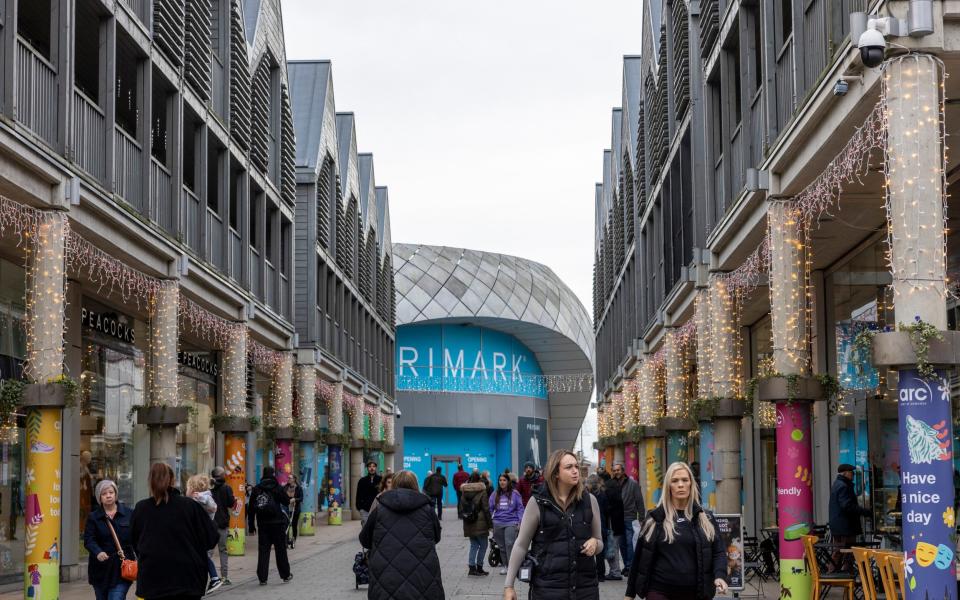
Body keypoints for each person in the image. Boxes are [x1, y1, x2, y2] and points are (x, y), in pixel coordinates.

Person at [504, 449, 603, 600]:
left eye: (576, 466)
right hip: (547, 590)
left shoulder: (590, 501)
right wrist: (508, 586)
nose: (575, 471)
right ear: (556, 472)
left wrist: (595, 543)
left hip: (585, 590)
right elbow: (521, 545)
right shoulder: (537, 502)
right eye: (569, 467)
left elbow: (600, 542)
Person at [624, 461, 728, 600]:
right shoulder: (655, 517)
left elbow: (719, 552)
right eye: (675, 481)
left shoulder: (706, 518)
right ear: (668, 486)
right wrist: (629, 594)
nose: (680, 485)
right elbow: (639, 557)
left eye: (685, 480)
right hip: (659, 591)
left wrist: (720, 576)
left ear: (691, 484)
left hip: (696, 592)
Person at [131, 463, 219, 600]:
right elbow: (211, 538)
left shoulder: (141, 509)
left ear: (150, 482)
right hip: (188, 580)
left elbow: (135, 542)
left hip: (152, 579)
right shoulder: (190, 506)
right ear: (173, 481)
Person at [359, 470, 444, 599]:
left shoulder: (379, 509)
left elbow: (364, 540)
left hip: (386, 577)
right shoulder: (428, 510)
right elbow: (437, 537)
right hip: (422, 577)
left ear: (394, 485)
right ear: (416, 485)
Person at [83, 479, 135, 600]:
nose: (108, 496)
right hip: (101, 569)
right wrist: (98, 552)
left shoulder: (129, 514)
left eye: (111, 492)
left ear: (115, 494)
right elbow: (89, 539)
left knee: (116, 597)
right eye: (104, 494)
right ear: (99, 497)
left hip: (122, 568)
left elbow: (137, 538)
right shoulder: (93, 517)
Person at [248, 466, 293, 585]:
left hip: (263, 525)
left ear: (263, 474)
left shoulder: (257, 489)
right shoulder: (277, 487)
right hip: (277, 523)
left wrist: (251, 525)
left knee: (263, 551)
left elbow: (251, 509)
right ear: (273, 474)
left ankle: (262, 578)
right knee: (281, 550)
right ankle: (285, 575)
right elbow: (286, 501)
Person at [829, 463, 870, 572]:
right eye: (852, 473)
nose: (853, 475)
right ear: (845, 473)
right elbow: (847, 506)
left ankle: (837, 575)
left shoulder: (838, 484)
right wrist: (865, 512)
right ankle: (842, 575)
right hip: (845, 527)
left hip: (840, 526)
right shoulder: (843, 486)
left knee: (841, 551)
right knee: (846, 551)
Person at [186, 474, 223, 594]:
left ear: (193, 488)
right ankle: (213, 578)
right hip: (202, 532)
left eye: (188, 487)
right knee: (203, 557)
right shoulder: (206, 497)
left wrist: (193, 496)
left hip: (199, 533)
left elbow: (210, 505)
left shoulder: (201, 497)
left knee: (203, 557)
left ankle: (214, 578)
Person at [613, 462, 645, 575]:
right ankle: (627, 565)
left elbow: (639, 501)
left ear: (623, 470)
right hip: (617, 519)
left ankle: (630, 566)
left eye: (618, 470)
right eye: (614, 470)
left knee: (630, 543)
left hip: (629, 517)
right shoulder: (612, 484)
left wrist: (642, 517)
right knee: (621, 543)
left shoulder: (633, 484)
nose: (616, 472)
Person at [490, 473, 524, 576]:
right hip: (498, 523)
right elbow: (490, 508)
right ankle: (506, 566)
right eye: (500, 480)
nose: (502, 482)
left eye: (504, 480)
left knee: (510, 544)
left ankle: (512, 567)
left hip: (511, 523)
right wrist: (493, 519)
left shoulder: (515, 493)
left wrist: (519, 522)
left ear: (508, 482)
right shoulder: (495, 494)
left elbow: (520, 508)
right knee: (501, 546)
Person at [460, 471, 493, 576]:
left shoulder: (464, 491)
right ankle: (479, 567)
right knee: (483, 545)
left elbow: (462, 507)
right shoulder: (482, 491)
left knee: (474, 545)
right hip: (480, 521)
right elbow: (486, 509)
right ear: (479, 479)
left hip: (468, 520)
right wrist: (490, 525)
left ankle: (471, 568)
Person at [210, 467, 236, 585]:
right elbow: (231, 504)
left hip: (209, 524)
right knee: (223, 550)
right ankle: (224, 577)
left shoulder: (208, 487)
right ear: (221, 475)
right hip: (222, 523)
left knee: (208, 551)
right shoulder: (226, 488)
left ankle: (208, 576)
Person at [600, 470, 624, 580]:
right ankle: (616, 571)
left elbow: (607, 507)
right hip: (618, 521)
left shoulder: (607, 489)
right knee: (615, 547)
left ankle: (615, 572)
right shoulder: (615, 485)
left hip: (611, 524)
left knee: (611, 548)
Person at [356, 460, 382, 526]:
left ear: (376, 468)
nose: (372, 468)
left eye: (373, 466)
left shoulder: (380, 479)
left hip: (377, 508)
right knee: (365, 527)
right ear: (367, 468)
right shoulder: (362, 481)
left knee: (376, 527)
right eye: (370, 466)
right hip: (365, 509)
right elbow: (358, 495)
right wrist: (360, 507)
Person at [285, 475, 303, 549]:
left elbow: (301, 498)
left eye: (290, 478)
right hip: (286, 509)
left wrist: (295, 499)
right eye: (288, 478)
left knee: (294, 525)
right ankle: (285, 541)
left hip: (295, 509)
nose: (288, 479)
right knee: (286, 525)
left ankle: (293, 539)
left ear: (294, 479)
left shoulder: (298, 488)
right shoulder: (285, 487)